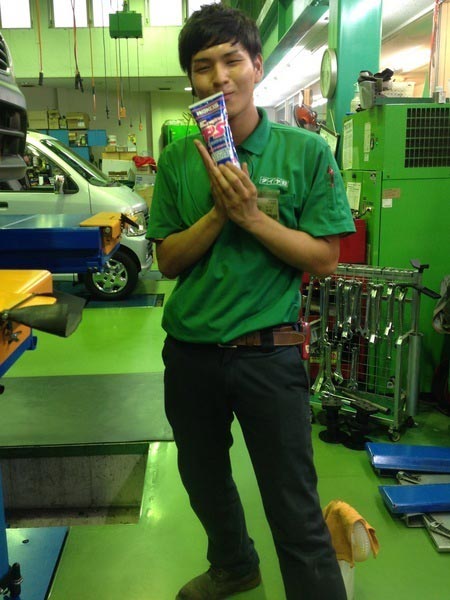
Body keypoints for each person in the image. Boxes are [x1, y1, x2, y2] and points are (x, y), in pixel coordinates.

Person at [147, 4, 355, 599]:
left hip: (270, 355)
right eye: (203, 66)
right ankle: (235, 565)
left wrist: (252, 218)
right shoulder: (180, 161)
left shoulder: (305, 153)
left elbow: (324, 258)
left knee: (292, 500)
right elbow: (168, 260)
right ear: (192, 80)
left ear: (257, 66)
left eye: (232, 61)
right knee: (203, 480)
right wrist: (219, 213)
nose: (219, 77)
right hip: (191, 355)